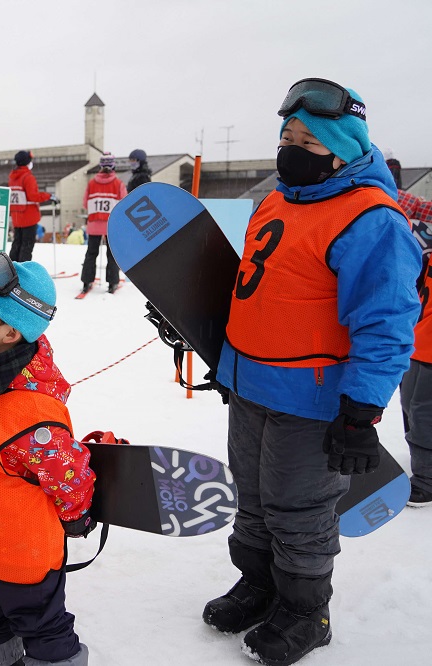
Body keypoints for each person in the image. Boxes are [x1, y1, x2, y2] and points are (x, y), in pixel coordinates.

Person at [203, 78, 421, 666]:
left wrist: (362, 409)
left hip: (315, 398)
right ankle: (260, 584)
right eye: (286, 137)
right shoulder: (277, 199)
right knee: (251, 495)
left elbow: (387, 322)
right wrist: (225, 358)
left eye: (309, 140)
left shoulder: (372, 220)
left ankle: (306, 611)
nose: (291, 149)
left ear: (343, 149)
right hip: (252, 385)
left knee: (298, 507)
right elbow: (260, 291)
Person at [0, 254, 94, 666]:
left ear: (10, 333)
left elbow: (69, 475)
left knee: (45, 632)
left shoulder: (30, 413)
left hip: (27, 557)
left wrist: (76, 517)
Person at [388, 158, 432, 507]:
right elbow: (405, 202)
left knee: (422, 410)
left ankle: (428, 480)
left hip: (427, 344)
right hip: (415, 336)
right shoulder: (422, 222)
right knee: (412, 408)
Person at [81, 152, 128, 295]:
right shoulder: (118, 184)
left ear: (100, 165)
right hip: (111, 225)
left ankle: (86, 281)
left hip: (94, 224)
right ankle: (112, 282)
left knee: (91, 253)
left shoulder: (91, 183)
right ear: (113, 165)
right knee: (112, 255)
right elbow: (124, 204)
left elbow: (85, 204)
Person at [8, 150, 57, 262]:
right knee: (27, 246)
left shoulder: (12, 178)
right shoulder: (27, 177)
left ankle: (11, 269)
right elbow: (33, 196)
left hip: (17, 216)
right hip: (28, 217)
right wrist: (48, 196)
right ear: (27, 162)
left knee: (17, 244)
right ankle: (24, 272)